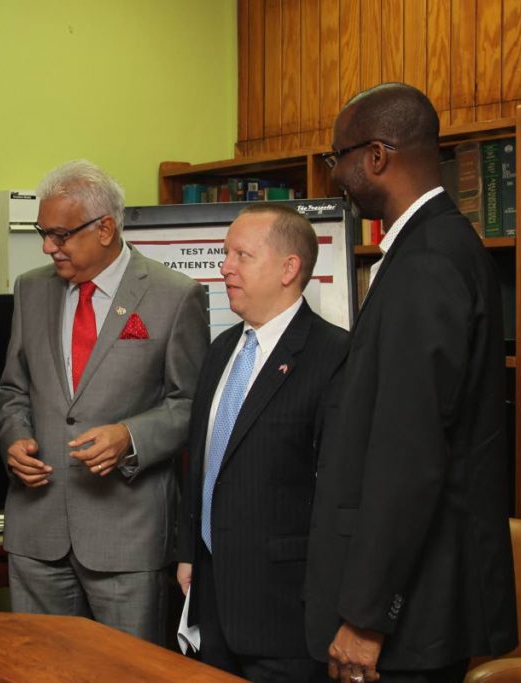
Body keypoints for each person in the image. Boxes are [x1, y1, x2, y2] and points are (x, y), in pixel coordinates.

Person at [304, 82, 519, 683]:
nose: (333, 179)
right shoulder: (435, 247)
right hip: (418, 599)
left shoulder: (427, 262)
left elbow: (411, 456)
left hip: (411, 614)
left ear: (376, 156)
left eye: (335, 160)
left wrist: (368, 618)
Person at [0, 159, 209, 644]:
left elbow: (191, 402)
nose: (48, 246)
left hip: (126, 540)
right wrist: (16, 436)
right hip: (37, 531)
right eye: (42, 233)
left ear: (106, 228)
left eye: (60, 234)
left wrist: (130, 437)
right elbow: (13, 389)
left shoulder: (175, 297)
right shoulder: (31, 289)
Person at [176, 204, 348, 682]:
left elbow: (338, 494)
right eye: (225, 253)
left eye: (242, 255)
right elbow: (204, 459)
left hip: (284, 615)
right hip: (211, 603)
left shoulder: (334, 356)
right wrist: (189, 550)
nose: (224, 266)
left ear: (289, 268)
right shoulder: (220, 350)